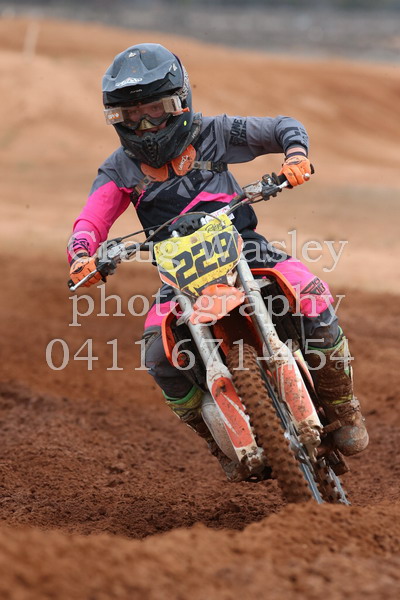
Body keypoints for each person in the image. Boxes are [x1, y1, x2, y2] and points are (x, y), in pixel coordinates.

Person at [68, 43, 368, 481]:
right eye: (131, 116)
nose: (145, 125)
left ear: (180, 102)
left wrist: (295, 154)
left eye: (154, 110)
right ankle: (215, 439)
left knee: (313, 299)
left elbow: (283, 127)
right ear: (115, 119)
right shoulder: (118, 170)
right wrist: (82, 254)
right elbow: (91, 220)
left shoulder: (215, 133)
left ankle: (343, 408)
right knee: (158, 356)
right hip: (178, 275)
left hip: (246, 248)